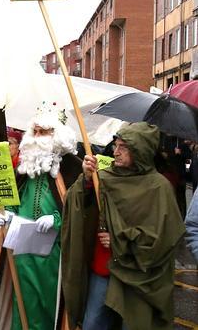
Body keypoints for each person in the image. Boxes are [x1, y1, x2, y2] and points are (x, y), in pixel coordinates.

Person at [63, 122, 186, 330]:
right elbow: (76, 205)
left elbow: (164, 238)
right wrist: (85, 178)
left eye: (123, 147)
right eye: (115, 146)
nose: (116, 152)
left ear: (140, 151)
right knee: (94, 324)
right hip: (103, 270)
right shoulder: (103, 177)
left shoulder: (158, 187)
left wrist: (119, 239)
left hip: (139, 276)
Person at [0, 105, 82, 330]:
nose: (37, 138)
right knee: (23, 298)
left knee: (48, 300)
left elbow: (81, 208)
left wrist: (57, 219)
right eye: (34, 132)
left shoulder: (73, 168)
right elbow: (16, 194)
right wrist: (8, 213)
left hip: (53, 247)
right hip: (22, 242)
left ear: (58, 135)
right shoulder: (26, 166)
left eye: (43, 132)